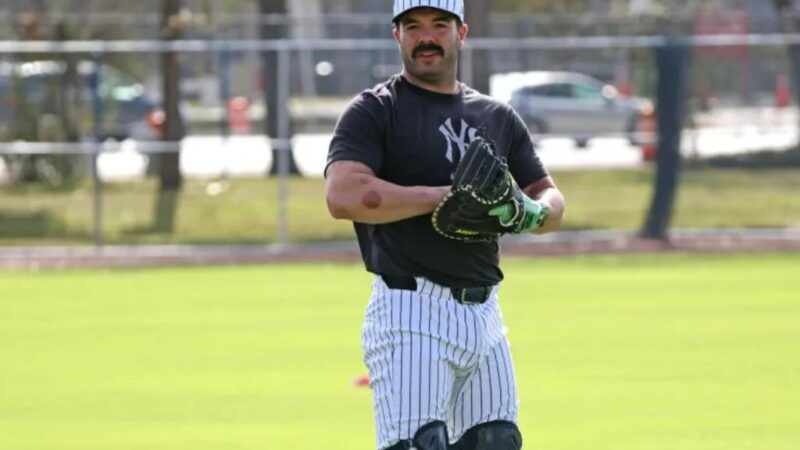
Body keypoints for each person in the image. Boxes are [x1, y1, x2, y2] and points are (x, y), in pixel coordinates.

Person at [325, 1, 565, 449]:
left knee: (496, 441)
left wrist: (528, 211)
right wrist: (444, 198)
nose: (426, 37)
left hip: (485, 313)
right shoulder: (376, 109)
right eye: (412, 26)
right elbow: (344, 196)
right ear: (397, 36)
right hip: (411, 310)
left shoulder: (495, 115)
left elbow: (550, 200)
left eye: (440, 24)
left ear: (462, 33)